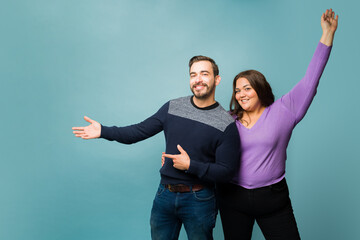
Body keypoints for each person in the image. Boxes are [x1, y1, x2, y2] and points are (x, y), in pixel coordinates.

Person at [72, 56, 240, 240]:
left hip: (199, 199)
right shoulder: (173, 107)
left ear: (217, 79)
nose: (198, 79)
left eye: (204, 74)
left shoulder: (226, 124)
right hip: (164, 196)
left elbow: (226, 172)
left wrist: (191, 165)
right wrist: (103, 130)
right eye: (193, 75)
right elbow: (137, 131)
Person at [216, 9, 338, 240]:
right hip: (233, 199)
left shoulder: (285, 110)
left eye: (247, 88)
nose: (241, 94)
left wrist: (327, 34)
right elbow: (202, 138)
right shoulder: (228, 119)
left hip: (273, 199)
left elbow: (311, 79)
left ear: (260, 89)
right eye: (237, 90)